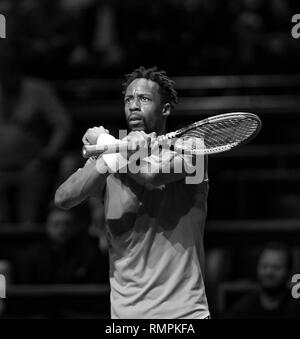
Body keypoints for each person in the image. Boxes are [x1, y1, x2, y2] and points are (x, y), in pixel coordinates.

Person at [55, 66, 210, 319]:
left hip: (184, 315)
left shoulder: (193, 147)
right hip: (124, 317)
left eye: (144, 99)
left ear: (166, 109)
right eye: (128, 99)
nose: (133, 105)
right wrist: (113, 154)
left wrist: (107, 145)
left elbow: (152, 176)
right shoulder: (113, 157)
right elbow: (64, 198)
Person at [17, 203, 108, 284]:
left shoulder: (89, 253)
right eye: (56, 224)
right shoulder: (33, 255)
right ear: (47, 227)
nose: (62, 230)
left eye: (67, 224)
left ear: (75, 226)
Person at [226, 242, 300, 318]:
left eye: (276, 267)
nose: (269, 272)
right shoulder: (243, 308)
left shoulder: (296, 307)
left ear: (289, 272)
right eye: (264, 266)